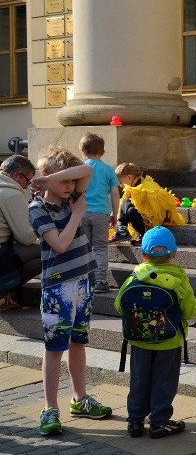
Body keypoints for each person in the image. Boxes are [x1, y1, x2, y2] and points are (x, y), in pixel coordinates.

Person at [28, 146, 113, 437]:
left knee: (79, 342)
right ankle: (50, 408)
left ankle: (80, 398)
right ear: (46, 178)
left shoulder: (72, 194)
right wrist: (77, 213)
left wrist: (56, 178)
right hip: (57, 288)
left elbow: (87, 170)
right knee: (54, 350)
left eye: (70, 181)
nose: (70, 186)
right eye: (63, 181)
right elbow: (60, 245)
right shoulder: (38, 209)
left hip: (83, 283)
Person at [114, 226, 196, 439]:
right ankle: (159, 423)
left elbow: (118, 305)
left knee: (139, 380)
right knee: (164, 382)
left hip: (139, 341)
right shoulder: (178, 280)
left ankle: (135, 421)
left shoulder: (135, 277)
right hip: (169, 343)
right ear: (174, 254)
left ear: (143, 254)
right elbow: (190, 311)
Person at [79, 133, 120, 293]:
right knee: (101, 247)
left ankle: (85, 278)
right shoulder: (108, 169)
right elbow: (115, 193)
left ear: (82, 150)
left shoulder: (81, 169)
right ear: (103, 152)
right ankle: (101, 280)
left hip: (81, 212)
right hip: (101, 213)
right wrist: (114, 213)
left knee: (85, 246)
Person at [0, 155, 41, 310]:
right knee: (50, 251)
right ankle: (3, 292)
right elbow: (26, 237)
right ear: (16, 175)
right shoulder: (11, 194)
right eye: (27, 180)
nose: (26, 186)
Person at [109, 162, 184, 245]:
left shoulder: (146, 186)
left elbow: (154, 209)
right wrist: (114, 214)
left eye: (120, 182)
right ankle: (122, 232)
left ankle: (140, 234)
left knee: (129, 208)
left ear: (129, 177)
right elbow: (122, 203)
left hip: (151, 220)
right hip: (141, 218)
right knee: (126, 203)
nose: (120, 185)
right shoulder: (133, 186)